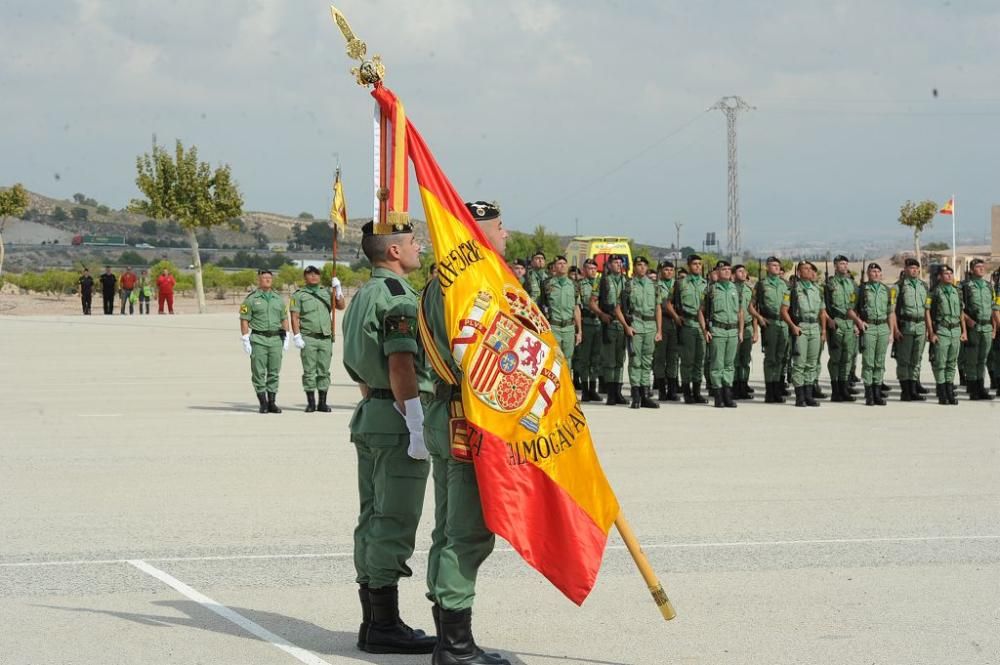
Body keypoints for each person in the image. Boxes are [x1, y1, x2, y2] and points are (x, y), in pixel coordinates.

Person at [420, 200, 511, 665]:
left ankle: (444, 635)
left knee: (446, 527)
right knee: (468, 533)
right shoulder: (471, 287)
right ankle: (455, 648)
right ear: (478, 235)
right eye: (499, 228)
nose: (506, 236)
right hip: (468, 419)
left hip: (443, 412)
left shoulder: (438, 283)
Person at [341, 219, 435, 656]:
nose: (420, 248)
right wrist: (415, 422)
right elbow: (400, 364)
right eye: (414, 242)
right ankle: (384, 625)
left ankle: (373, 621)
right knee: (394, 521)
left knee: (372, 518)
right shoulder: (397, 297)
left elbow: (360, 365)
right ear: (394, 252)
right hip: (399, 416)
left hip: (373, 412)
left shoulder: (363, 294)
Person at [290, 266, 346, 412]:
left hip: (325, 337)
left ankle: (322, 402)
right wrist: (296, 336)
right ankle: (310, 402)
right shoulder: (299, 295)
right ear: (305, 277)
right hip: (308, 337)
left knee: (324, 371)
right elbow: (294, 317)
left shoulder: (327, 292)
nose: (313, 276)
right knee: (309, 371)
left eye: (316, 274)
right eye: (310, 274)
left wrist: (338, 289)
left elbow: (341, 306)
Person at [239, 269, 290, 414]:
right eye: (264, 278)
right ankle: (263, 403)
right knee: (259, 372)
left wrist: (287, 336)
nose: (267, 280)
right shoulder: (251, 299)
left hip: (275, 339)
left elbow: (284, 318)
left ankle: (272, 402)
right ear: (259, 280)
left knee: (274, 372)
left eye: (269, 278)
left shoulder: (278, 299)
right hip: (259, 339)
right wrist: (245, 338)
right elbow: (244, 319)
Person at [666, 254, 708, 404]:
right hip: (688, 325)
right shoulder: (680, 283)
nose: (698, 266)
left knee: (699, 360)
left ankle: (697, 392)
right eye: (695, 264)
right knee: (687, 361)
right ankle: (687, 392)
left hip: (702, 326)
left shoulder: (705, 283)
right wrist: (676, 317)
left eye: (699, 264)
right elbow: (668, 303)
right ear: (689, 265)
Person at [700, 260, 742, 408]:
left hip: (732, 330)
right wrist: (705, 330)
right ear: (717, 272)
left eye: (728, 269)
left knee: (729, 364)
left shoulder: (735, 288)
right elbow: (701, 311)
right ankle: (718, 396)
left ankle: (727, 395)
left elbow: (740, 311)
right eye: (723, 269)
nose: (726, 271)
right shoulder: (711, 289)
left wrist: (741, 330)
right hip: (717, 330)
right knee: (717, 364)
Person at [783, 261, 827, 407]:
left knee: (812, 363)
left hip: (814, 327)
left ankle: (809, 395)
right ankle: (799, 396)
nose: (808, 271)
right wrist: (793, 326)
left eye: (810, 269)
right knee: (799, 363)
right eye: (805, 269)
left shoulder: (817, 289)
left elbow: (822, 312)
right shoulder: (792, 290)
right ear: (799, 272)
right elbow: (783, 311)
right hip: (800, 327)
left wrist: (823, 330)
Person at [620, 256, 661, 408]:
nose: (642, 268)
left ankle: (645, 395)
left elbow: (658, 308)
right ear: (634, 268)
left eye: (644, 265)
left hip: (650, 326)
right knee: (635, 361)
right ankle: (636, 394)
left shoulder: (654, 286)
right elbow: (621, 308)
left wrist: (659, 330)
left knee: (647, 361)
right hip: (636, 324)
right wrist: (626, 326)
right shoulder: (629, 285)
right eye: (639, 265)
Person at [857, 262, 898, 406]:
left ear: (881, 274)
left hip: (882, 327)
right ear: (868, 274)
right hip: (869, 327)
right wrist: (858, 323)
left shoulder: (887, 290)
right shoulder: (861, 289)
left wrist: (891, 332)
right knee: (868, 361)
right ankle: (869, 394)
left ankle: (877, 392)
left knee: (880, 362)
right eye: (872, 271)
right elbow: (852, 309)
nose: (875, 274)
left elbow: (890, 312)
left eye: (877, 271)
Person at [926, 265, 966, 405]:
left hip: (955, 330)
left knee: (951, 363)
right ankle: (942, 392)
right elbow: (928, 313)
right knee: (940, 363)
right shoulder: (934, 292)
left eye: (951, 273)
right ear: (939, 277)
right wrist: (931, 333)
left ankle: (950, 390)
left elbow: (961, 312)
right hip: (941, 330)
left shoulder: (956, 291)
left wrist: (964, 331)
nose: (949, 276)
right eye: (946, 273)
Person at [960, 258, 999, 400]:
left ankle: (981, 388)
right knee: (972, 359)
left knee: (983, 359)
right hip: (974, 327)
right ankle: (973, 389)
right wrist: (967, 322)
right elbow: (959, 308)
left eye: (983, 266)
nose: (981, 269)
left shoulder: (989, 286)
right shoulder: (965, 286)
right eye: (978, 267)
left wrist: (995, 328)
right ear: (971, 270)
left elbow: (994, 308)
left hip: (987, 327)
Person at [754, 257, 789, 403]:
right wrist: (759, 319)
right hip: (770, 323)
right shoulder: (761, 285)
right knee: (770, 358)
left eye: (777, 265)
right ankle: (769, 391)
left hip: (783, 324)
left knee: (780, 357)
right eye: (773, 265)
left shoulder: (785, 285)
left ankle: (777, 389)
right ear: (767, 268)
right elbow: (751, 306)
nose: (776, 268)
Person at [894, 257, 930, 401]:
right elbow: (892, 310)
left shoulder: (923, 286)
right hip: (906, 326)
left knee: (917, 359)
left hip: (920, 326)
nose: (914, 270)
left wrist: (929, 329)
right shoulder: (899, 286)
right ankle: (905, 391)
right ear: (905, 270)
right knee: (904, 360)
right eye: (911, 268)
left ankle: (914, 389)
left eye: (916, 268)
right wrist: (896, 329)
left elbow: (927, 309)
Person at [594, 254, 628, 405]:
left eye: (620, 262)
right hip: (609, 322)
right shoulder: (602, 281)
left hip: (623, 324)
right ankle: (610, 393)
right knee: (609, 360)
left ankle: (618, 391)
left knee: (620, 359)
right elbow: (592, 302)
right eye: (615, 262)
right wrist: (601, 314)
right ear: (608, 265)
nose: (618, 265)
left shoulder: (626, 281)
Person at [825, 255, 859, 402]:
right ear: (835, 266)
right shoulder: (830, 284)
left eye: (846, 263)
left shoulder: (852, 284)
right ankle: (835, 390)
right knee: (835, 358)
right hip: (837, 322)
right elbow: (824, 305)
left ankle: (844, 388)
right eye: (841, 264)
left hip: (849, 324)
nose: (844, 266)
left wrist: (856, 323)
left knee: (848, 358)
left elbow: (855, 304)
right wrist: (829, 320)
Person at [543, 255, 582, 382]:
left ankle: (566, 387)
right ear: (554, 267)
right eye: (559, 263)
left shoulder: (574, 285)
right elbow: (542, 305)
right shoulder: (547, 284)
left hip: (569, 328)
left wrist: (579, 331)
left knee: (568, 360)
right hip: (554, 327)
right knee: (553, 359)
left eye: (564, 263)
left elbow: (576, 308)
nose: (562, 266)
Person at [576, 259, 603, 402]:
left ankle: (593, 388)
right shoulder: (580, 285)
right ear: (584, 270)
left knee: (596, 358)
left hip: (599, 323)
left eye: (594, 268)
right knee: (585, 358)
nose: (592, 270)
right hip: (586, 323)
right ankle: (585, 389)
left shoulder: (601, 283)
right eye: (589, 268)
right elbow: (578, 307)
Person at [732, 264, 758, 399]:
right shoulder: (731, 289)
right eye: (739, 271)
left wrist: (755, 331)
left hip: (747, 328)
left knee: (745, 359)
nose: (743, 273)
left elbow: (752, 311)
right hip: (734, 327)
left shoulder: (749, 290)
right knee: (734, 360)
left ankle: (743, 384)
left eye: (744, 271)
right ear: (734, 274)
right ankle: (734, 386)